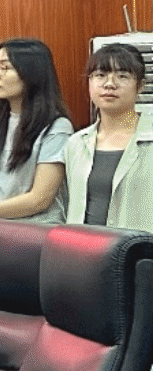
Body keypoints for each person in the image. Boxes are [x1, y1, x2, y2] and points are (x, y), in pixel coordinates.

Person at [0, 38, 72, 225]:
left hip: (40, 229)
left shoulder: (56, 126)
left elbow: (39, 199)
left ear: (32, 73)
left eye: (5, 68)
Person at [62, 43, 153, 232]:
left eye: (122, 76)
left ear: (140, 86)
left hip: (140, 248)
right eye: (100, 75)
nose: (109, 84)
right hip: (83, 247)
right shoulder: (76, 143)